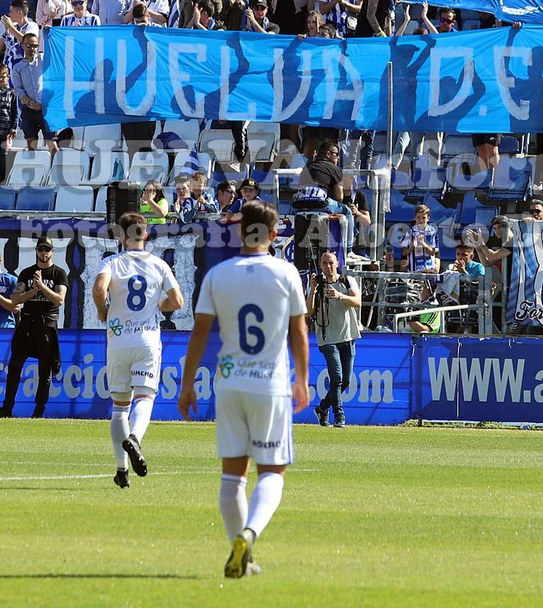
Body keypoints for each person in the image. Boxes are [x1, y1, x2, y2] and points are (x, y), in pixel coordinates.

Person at [178, 200, 309, 580]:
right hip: (270, 384)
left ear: (240, 231)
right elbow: (299, 330)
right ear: (274, 234)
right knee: (272, 471)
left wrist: (187, 384)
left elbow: (200, 332)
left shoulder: (218, 274)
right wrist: (302, 379)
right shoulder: (286, 273)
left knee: (233, 475)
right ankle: (249, 534)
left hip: (229, 382)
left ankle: (241, 552)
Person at [92, 212, 184, 488]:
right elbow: (177, 301)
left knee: (120, 407)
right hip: (146, 339)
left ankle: (121, 470)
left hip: (118, 340)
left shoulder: (112, 262)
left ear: (122, 236)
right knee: (145, 397)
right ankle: (135, 438)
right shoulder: (158, 264)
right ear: (145, 234)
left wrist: (103, 311)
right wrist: (158, 306)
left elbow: (99, 288)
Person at [0, 239, 68, 418]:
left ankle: (39, 411)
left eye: (47, 249)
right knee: (14, 366)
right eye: (41, 249)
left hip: (46, 325)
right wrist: (33, 292)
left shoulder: (58, 273)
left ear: (52, 251)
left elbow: (59, 299)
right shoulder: (27, 273)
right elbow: (15, 299)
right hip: (27, 324)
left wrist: (42, 287)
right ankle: (7, 408)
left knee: (45, 370)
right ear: (36, 250)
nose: (44, 253)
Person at [309, 249, 362, 427]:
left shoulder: (347, 280)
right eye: (324, 263)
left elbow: (358, 302)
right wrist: (313, 289)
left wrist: (340, 296)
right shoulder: (317, 285)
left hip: (348, 336)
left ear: (337, 263)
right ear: (320, 265)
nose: (328, 266)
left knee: (346, 380)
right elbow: (308, 311)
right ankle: (339, 415)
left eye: (331, 262)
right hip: (327, 338)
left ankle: (322, 407)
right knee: (337, 378)